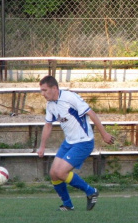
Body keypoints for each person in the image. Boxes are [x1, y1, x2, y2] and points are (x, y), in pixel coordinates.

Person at [37, 75, 115, 211]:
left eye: (44, 90)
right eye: (41, 90)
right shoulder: (50, 105)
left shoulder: (70, 97)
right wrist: (42, 146)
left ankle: (91, 191)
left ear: (54, 88)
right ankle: (68, 204)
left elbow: (92, 114)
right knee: (53, 173)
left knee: (61, 172)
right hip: (69, 142)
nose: (42, 94)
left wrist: (104, 134)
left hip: (83, 142)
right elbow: (48, 125)